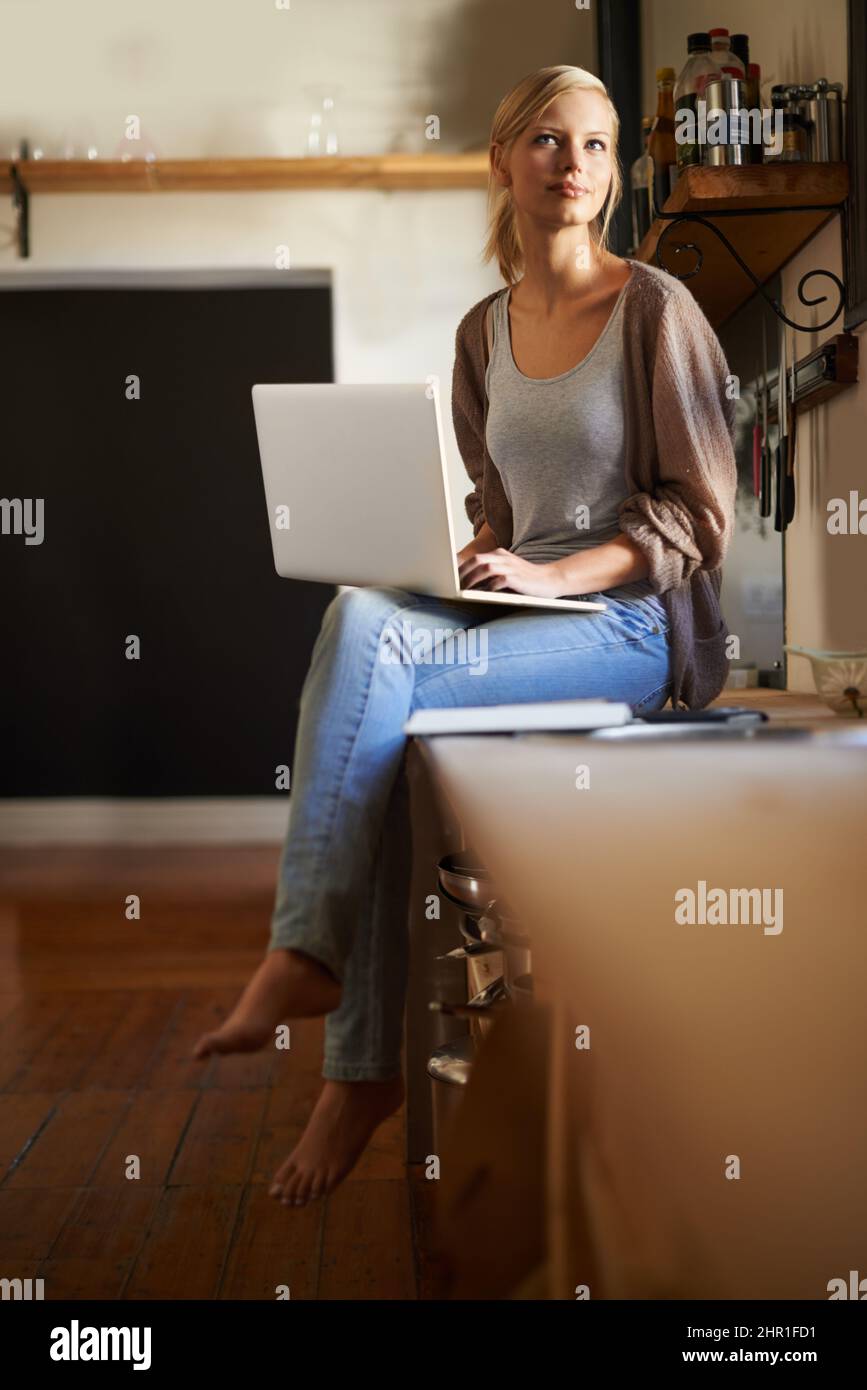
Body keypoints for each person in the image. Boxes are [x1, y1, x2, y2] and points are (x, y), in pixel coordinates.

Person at [192, 65, 737, 1207]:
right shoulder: (479, 333)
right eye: (547, 139)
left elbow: (696, 518)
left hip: (626, 627)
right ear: (504, 159)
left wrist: (552, 572)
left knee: (381, 668)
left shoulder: (656, 310)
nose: (573, 164)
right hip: (528, 608)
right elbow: (497, 509)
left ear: (615, 172)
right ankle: (346, 1036)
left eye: (594, 145)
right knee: (363, 615)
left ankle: (331, 1007)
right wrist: (473, 560)